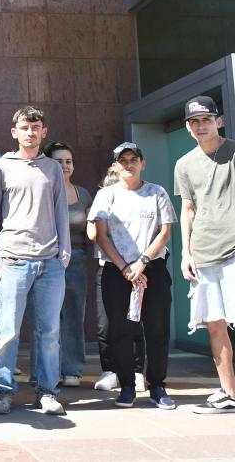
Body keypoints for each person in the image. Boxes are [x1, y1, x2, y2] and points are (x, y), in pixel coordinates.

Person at [0, 106, 70, 416]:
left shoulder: (53, 169)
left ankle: (47, 392)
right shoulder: (1, 167)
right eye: (25, 127)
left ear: (43, 131)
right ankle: (3, 391)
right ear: (14, 131)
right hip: (13, 258)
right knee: (8, 330)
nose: (30, 132)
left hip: (50, 261)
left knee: (49, 331)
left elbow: (60, 211)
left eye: (36, 127)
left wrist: (64, 251)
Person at [90, 142, 176, 409]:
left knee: (157, 328)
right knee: (120, 330)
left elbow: (164, 233)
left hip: (152, 269)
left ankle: (157, 385)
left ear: (142, 163)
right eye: (123, 160)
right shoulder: (106, 195)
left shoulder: (156, 192)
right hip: (117, 271)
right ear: (115, 166)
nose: (128, 164)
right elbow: (101, 236)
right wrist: (125, 267)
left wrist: (142, 262)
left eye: (133, 159)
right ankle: (127, 386)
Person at [175, 96, 235, 414]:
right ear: (188, 128)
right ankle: (230, 395)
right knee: (215, 324)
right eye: (194, 122)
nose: (200, 126)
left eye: (206, 120)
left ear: (219, 121)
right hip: (202, 254)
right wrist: (185, 253)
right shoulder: (184, 164)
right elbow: (187, 209)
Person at [30, 142, 92, 387]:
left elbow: (93, 229)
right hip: (46, 259)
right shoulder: (41, 190)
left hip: (76, 260)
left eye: (68, 161)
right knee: (44, 318)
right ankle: (41, 371)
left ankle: (72, 369)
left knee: (74, 315)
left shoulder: (83, 194)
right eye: (59, 162)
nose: (65, 166)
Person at [89, 166, 147, 393]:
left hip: (135, 270)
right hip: (108, 269)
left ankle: (136, 371)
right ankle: (110, 370)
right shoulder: (102, 204)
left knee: (135, 323)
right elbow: (93, 234)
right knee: (106, 325)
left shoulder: (141, 202)